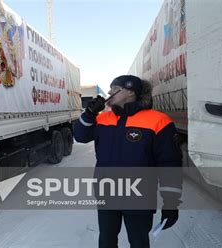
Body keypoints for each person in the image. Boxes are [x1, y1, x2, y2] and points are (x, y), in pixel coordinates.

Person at [73, 75, 183, 248]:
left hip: (139, 198)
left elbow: (170, 165)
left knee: (138, 243)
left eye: (114, 88)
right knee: (106, 241)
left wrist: (171, 203)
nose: (109, 92)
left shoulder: (158, 121)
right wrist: (88, 114)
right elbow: (80, 136)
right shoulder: (103, 118)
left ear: (130, 91)